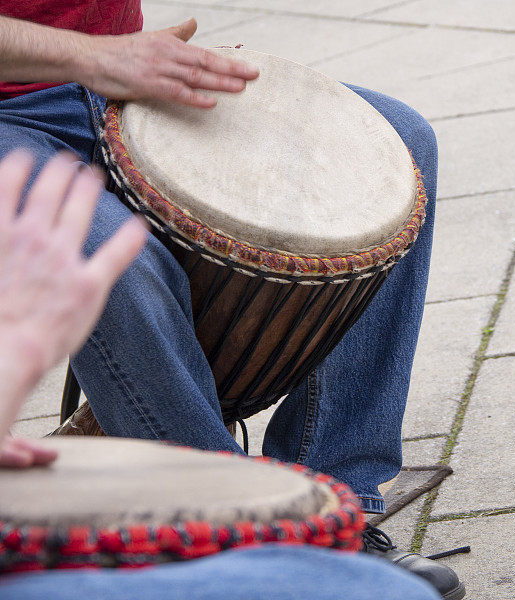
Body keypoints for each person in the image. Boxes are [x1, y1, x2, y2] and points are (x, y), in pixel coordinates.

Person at [0, 3, 463, 598]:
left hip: (121, 75)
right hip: (19, 110)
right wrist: (97, 55)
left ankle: (335, 508)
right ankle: (237, 536)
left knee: (400, 142)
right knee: (116, 256)